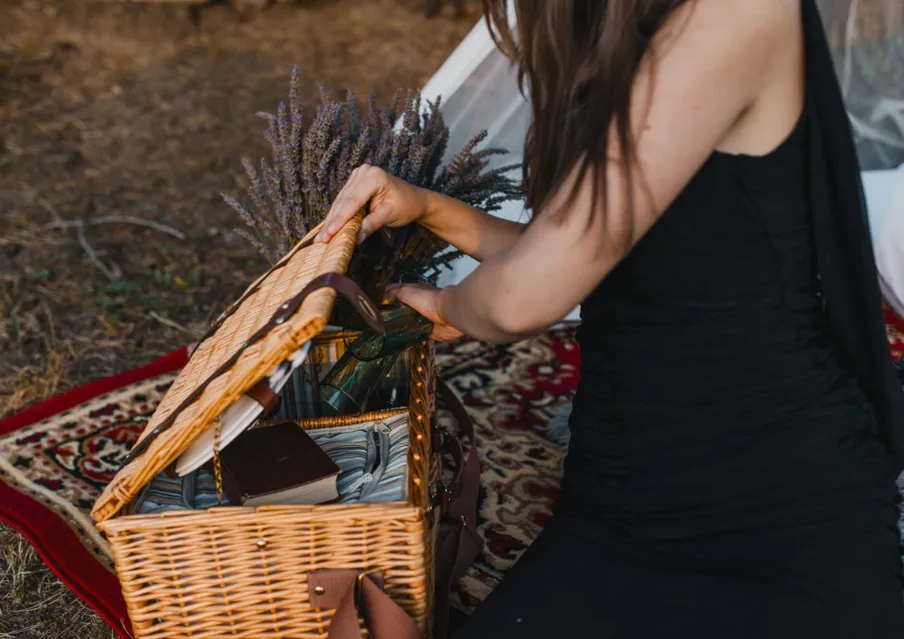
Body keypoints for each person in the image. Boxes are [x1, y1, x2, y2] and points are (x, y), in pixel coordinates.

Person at [317, 0, 904, 636]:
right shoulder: (629, 28)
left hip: (775, 510)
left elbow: (521, 297)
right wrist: (431, 208)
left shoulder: (739, 10)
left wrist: (449, 305)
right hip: (628, 496)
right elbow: (571, 253)